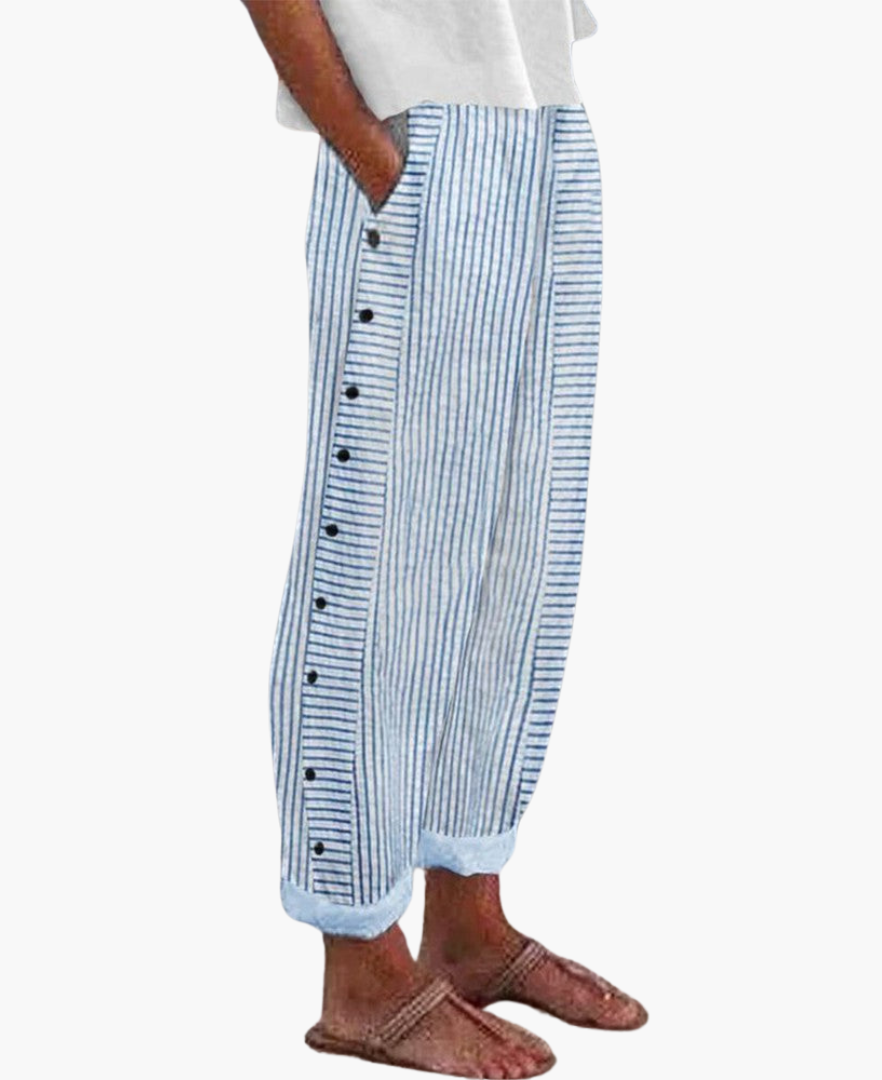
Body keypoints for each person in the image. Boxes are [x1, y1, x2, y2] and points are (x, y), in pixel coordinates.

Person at [240, 2, 647, 1075]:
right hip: (408, 128)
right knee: (382, 554)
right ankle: (362, 968)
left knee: (519, 544)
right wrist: (365, 145)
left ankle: (468, 921)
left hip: (543, 116)